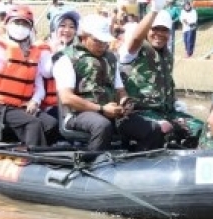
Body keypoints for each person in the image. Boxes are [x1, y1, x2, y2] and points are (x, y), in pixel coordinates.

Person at [53, 14, 164, 151]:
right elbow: (67, 98)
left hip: (110, 112)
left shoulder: (110, 58)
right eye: (97, 41)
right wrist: (101, 109)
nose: (102, 46)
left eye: (105, 42)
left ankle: (138, 162)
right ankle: (93, 164)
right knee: (102, 126)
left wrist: (125, 103)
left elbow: (120, 91)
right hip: (78, 114)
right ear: (83, 37)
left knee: (152, 129)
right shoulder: (66, 59)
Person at [0, 6, 58, 147]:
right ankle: (34, 160)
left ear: (30, 29)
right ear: (7, 25)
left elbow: (39, 85)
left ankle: (32, 149)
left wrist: (35, 101)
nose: (20, 27)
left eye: (24, 24)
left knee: (51, 123)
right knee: (33, 124)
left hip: (19, 106)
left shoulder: (33, 54)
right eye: (17, 23)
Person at [119, 8, 204, 148]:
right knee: (165, 128)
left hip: (167, 111)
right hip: (140, 111)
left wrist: (175, 101)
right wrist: (153, 11)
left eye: (164, 30)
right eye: (155, 29)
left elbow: (165, 84)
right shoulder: (136, 50)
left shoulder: (167, 55)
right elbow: (135, 38)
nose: (159, 34)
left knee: (201, 129)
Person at [39, 8, 81, 119]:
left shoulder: (79, 51)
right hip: (49, 106)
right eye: (62, 25)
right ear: (54, 28)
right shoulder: (44, 49)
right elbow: (46, 72)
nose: (67, 30)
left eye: (72, 27)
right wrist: (56, 52)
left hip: (75, 104)